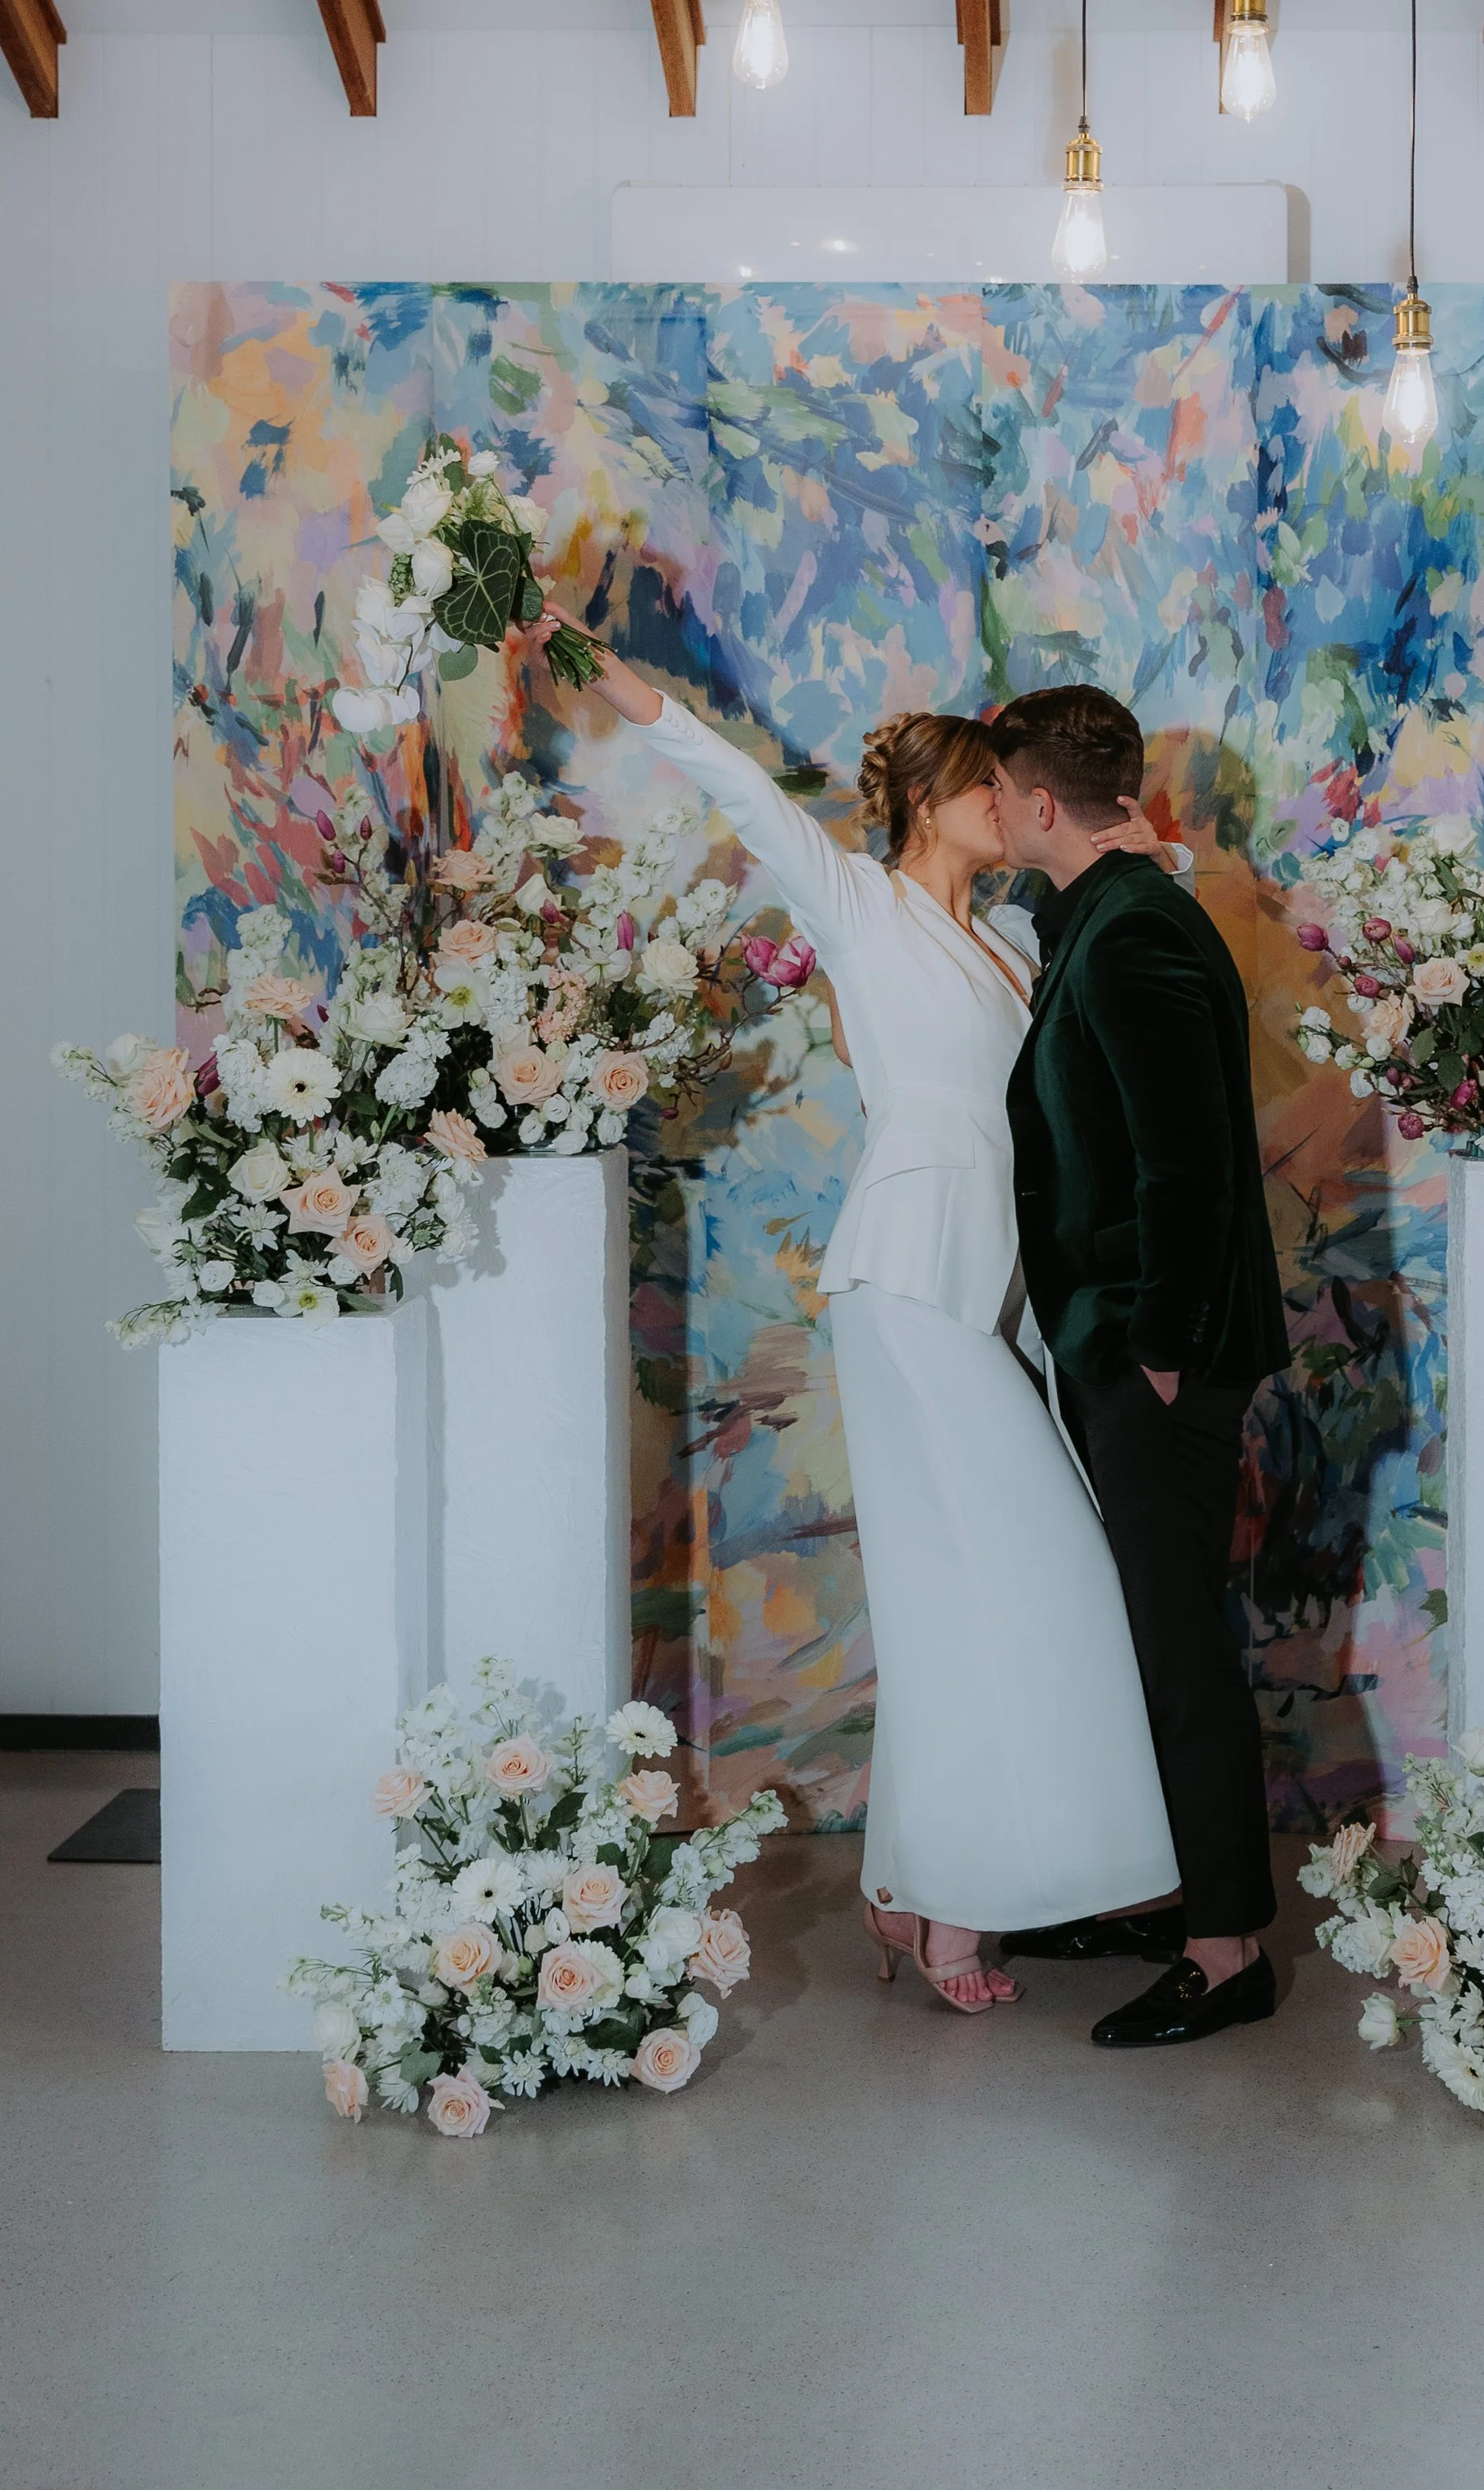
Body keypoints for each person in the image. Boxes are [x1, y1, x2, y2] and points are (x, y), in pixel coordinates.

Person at [523, 615, 1183, 2013]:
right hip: (903, 1276)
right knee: (982, 1592)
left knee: (1010, 1589)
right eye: (988, 784)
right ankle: (949, 1909)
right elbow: (729, 779)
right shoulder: (856, 902)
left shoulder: (1016, 939)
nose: (1012, 801)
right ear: (941, 801)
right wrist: (596, 664)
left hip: (1000, 1291)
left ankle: (927, 1888)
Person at [990, 685, 1290, 2049]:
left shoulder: (1134, 935)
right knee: (1144, 1639)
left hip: (1159, 1351)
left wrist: (1162, 1349)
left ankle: (1226, 1951)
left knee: (1181, 1650)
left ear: (1042, 803)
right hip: (1118, 1336)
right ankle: (1174, 1893)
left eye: (1000, 794)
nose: (991, 815)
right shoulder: (1101, 920)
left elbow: (1191, 1167)